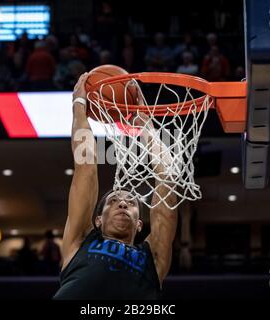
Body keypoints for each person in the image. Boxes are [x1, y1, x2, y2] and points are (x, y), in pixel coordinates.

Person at [53, 73, 178, 300]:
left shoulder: (154, 256)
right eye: (113, 201)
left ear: (140, 224)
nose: (122, 202)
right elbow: (86, 165)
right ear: (97, 220)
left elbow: (167, 180)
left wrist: (146, 125)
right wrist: (79, 106)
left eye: (131, 203)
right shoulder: (80, 240)